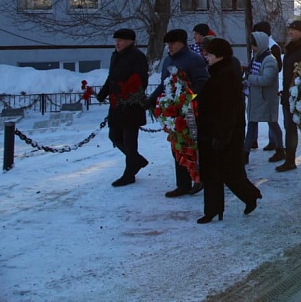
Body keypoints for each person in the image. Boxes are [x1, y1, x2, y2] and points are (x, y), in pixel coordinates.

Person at [195, 38, 262, 223]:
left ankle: (250, 195)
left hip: (224, 135)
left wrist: (222, 135)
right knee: (212, 175)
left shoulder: (226, 75)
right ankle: (212, 210)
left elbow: (229, 110)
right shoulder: (218, 71)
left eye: (209, 54)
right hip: (213, 133)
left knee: (230, 173)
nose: (205, 56)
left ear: (219, 55)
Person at [148, 28, 209, 197]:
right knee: (178, 145)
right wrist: (153, 99)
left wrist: (188, 101)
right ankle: (182, 184)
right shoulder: (168, 60)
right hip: (174, 113)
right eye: (168, 44)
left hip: (191, 112)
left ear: (182, 43)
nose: (170, 47)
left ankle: (199, 179)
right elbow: (164, 84)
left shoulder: (194, 60)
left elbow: (201, 84)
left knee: (194, 146)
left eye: (172, 43)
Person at [97, 28, 149, 187]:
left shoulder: (137, 56)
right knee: (114, 136)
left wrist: (128, 94)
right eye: (116, 40)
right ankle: (137, 161)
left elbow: (140, 80)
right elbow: (111, 77)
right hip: (116, 105)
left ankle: (129, 173)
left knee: (130, 140)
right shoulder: (116, 56)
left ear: (130, 42)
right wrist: (102, 93)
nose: (117, 43)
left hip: (131, 105)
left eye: (120, 40)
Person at [276, 20, 301, 172]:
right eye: (290, 30)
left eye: (294, 30)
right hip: (289, 95)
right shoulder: (290, 48)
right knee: (289, 127)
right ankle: (290, 159)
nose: (290, 33)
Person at [244, 31, 283, 165]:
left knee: (272, 123)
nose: (253, 48)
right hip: (256, 99)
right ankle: (245, 153)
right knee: (252, 125)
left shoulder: (269, 59)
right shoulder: (257, 57)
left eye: (255, 45)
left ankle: (280, 148)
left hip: (266, 99)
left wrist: (250, 78)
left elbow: (267, 79)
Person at [252, 20, 284, 154]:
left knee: (270, 115)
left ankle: (274, 141)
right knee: (255, 114)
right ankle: (253, 139)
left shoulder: (273, 47)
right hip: (257, 84)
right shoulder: (258, 45)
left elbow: (278, 67)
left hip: (268, 84)